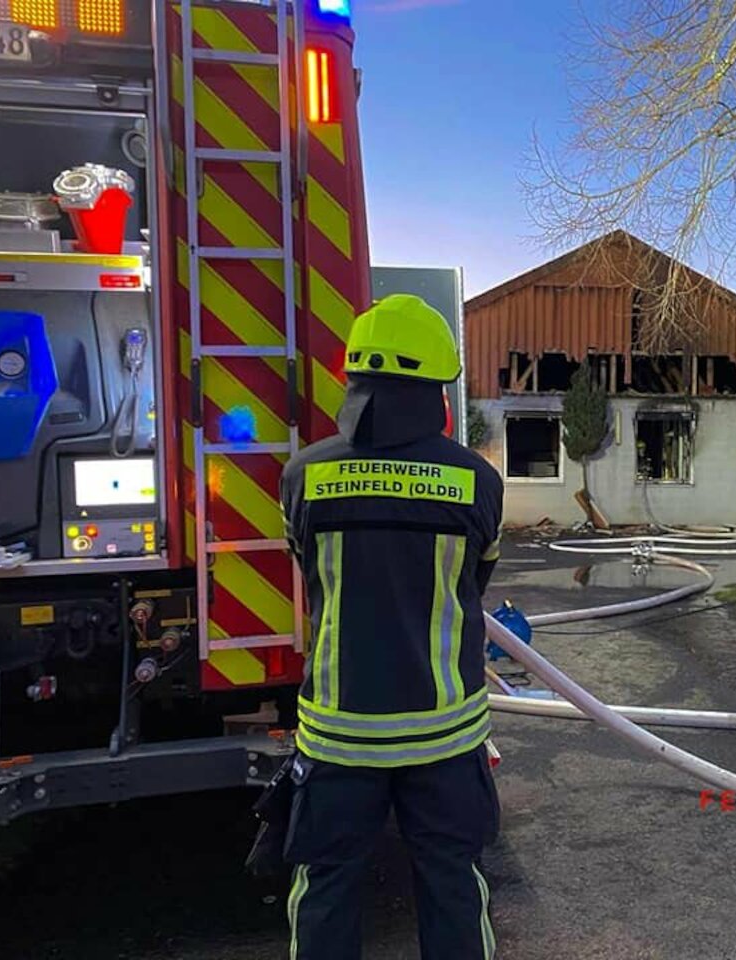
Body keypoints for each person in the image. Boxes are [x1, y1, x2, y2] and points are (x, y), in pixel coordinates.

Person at [279, 293, 503, 960]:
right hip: (445, 734)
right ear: (438, 386)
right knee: (453, 884)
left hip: (337, 736)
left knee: (326, 886)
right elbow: (474, 588)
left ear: (353, 378)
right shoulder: (475, 482)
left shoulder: (303, 475)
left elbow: (309, 574)